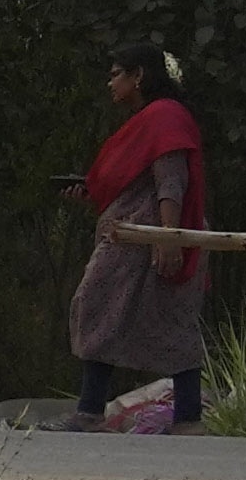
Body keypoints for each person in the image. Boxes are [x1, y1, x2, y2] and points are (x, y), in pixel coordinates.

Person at [69, 45, 211, 432]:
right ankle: (183, 417)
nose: (110, 82)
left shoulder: (165, 117)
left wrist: (169, 237)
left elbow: (171, 181)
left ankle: (92, 411)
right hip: (137, 233)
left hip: (145, 234)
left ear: (139, 76)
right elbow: (132, 183)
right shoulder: (149, 119)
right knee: (113, 310)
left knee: (107, 305)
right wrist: (88, 192)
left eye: (117, 74)